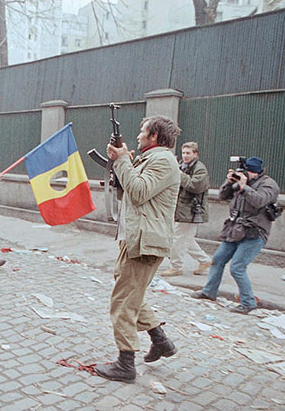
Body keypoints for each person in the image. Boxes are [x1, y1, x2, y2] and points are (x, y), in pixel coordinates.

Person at [95, 115, 181, 383]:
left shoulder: (164, 160)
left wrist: (122, 160)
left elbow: (140, 190)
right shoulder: (152, 158)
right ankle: (160, 340)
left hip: (145, 241)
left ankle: (126, 363)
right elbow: (131, 193)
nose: (138, 136)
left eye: (143, 131)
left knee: (122, 301)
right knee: (130, 293)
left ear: (154, 136)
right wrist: (119, 165)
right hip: (136, 237)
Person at [192, 157, 279, 314]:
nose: (246, 174)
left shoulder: (269, 184)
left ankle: (248, 302)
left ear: (257, 172)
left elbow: (259, 201)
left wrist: (244, 186)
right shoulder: (241, 181)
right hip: (235, 229)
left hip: (255, 232)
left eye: (249, 172)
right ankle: (209, 292)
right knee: (217, 260)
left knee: (237, 267)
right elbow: (223, 196)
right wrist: (229, 182)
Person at [160, 141, 212, 277]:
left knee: (177, 239)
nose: (185, 156)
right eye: (183, 153)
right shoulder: (184, 166)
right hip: (182, 209)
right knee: (185, 238)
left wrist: (178, 173)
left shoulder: (200, 168)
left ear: (195, 154)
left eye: (188, 153)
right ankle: (204, 260)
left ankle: (176, 267)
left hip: (192, 210)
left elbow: (195, 186)